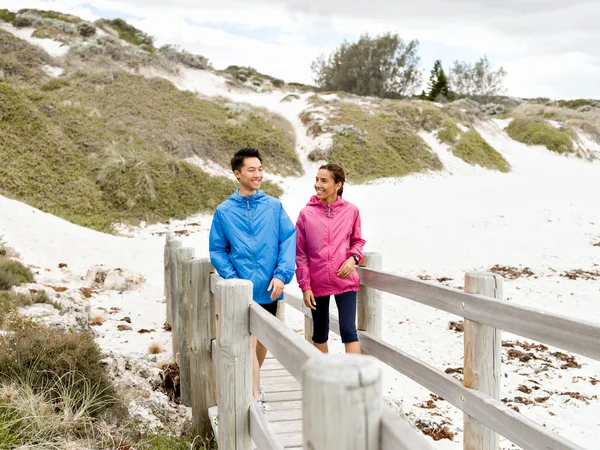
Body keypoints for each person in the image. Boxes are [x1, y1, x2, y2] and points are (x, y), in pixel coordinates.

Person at [209, 148, 296, 405]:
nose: (258, 174)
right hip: (242, 292)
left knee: (262, 343)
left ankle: (251, 382)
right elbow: (217, 249)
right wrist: (234, 279)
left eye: (260, 169)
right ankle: (254, 398)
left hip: (270, 288)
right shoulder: (224, 211)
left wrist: (282, 275)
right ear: (237, 174)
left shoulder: (274, 206)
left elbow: (288, 240)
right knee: (248, 343)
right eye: (251, 170)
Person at [295, 163, 366, 354]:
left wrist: (353, 259)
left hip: (344, 279)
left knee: (349, 331)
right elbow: (300, 254)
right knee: (319, 333)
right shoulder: (305, 214)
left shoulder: (351, 211)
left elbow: (357, 241)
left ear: (338, 185)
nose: (318, 184)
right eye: (317, 179)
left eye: (324, 180)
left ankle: (354, 382)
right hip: (317, 282)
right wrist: (306, 286)